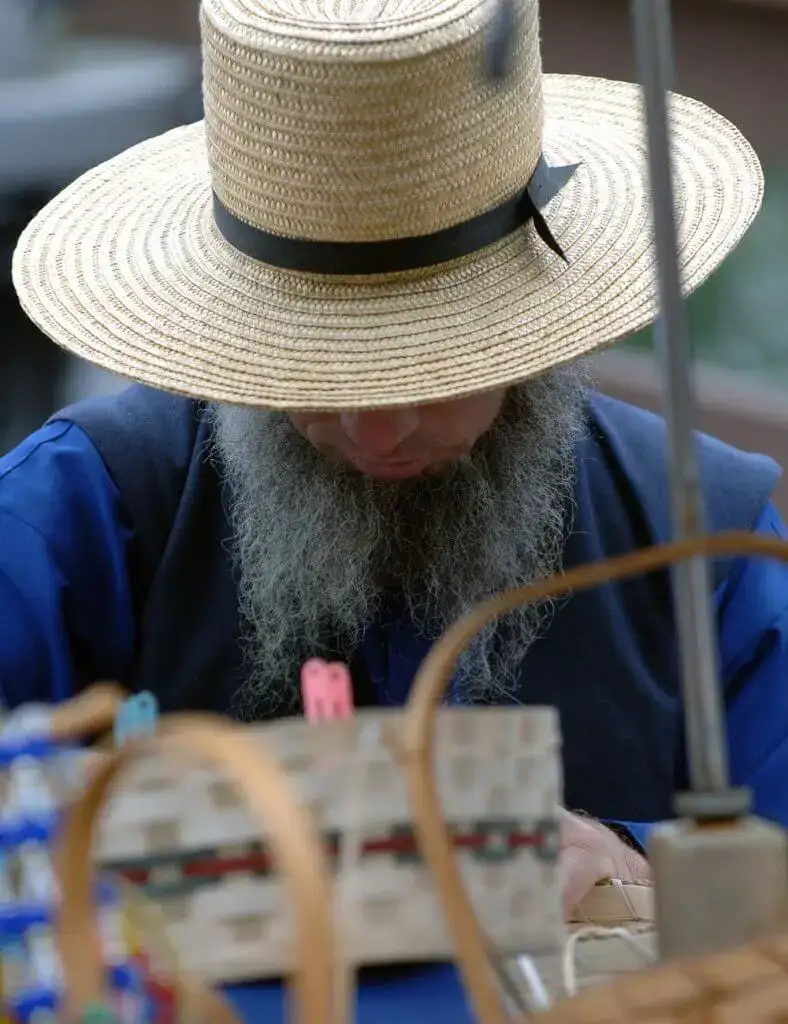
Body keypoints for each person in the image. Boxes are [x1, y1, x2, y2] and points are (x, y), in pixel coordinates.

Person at [3, 0, 788, 1016]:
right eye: (319, 369)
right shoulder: (86, 506)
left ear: (534, 323)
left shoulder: (699, 540)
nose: (379, 429)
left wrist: (634, 862)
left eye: (434, 366)